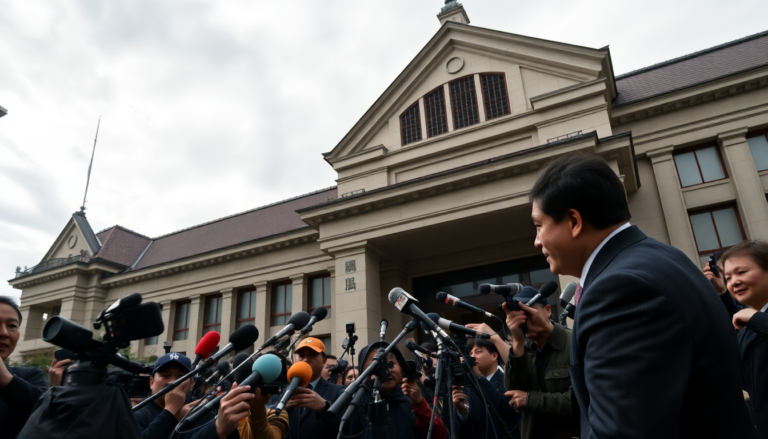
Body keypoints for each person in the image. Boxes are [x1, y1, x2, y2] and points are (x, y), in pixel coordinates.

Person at [529, 152, 757, 438]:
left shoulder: (619, 289)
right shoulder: (661, 257)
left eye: (539, 226)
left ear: (574, 221)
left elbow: (624, 429)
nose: (537, 241)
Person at [501, 287, 577, 439]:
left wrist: (530, 400)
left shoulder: (573, 343)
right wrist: (517, 342)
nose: (522, 319)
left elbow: (580, 400)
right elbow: (513, 392)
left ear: (548, 310)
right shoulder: (523, 350)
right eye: (517, 314)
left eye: (527, 311)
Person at [344, 341, 447, 439]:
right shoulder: (355, 406)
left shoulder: (410, 401)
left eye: (391, 364)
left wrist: (420, 404)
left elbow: (438, 435)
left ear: (401, 368)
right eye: (377, 364)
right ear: (363, 372)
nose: (387, 370)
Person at [134, 352, 249, 439]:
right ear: (151, 382)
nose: (172, 382)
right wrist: (170, 412)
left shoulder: (202, 411)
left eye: (180, 376)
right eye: (165, 375)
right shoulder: (136, 416)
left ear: (191, 382)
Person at [717, 240, 768, 438]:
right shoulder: (748, 328)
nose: (733, 282)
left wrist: (754, 318)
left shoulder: (754, 320)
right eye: (728, 277)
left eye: (742, 272)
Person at [270, 337, 344, 439]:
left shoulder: (339, 392)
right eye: (301, 355)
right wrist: (281, 408)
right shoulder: (280, 392)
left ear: (324, 361)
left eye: (312, 355)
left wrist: (325, 408)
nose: (305, 359)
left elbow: (348, 429)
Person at [0, 296, 47, 439]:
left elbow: (47, 415)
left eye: (12, 326)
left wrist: (6, 379)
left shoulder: (30, 377)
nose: (4, 333)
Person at [452, 337, 518, 439]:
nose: (473, 357)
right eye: (470, 353)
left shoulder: (508, 383)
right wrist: (462, 412)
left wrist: (479, 376)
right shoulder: (469, 387)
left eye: (478, 352)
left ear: (494, 355)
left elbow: (506, 412)